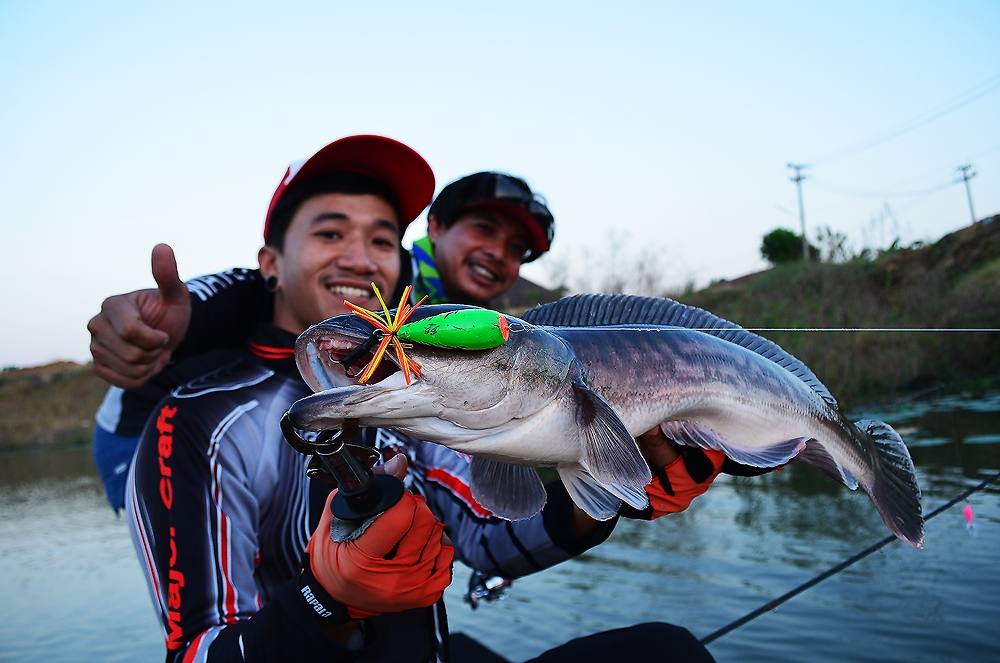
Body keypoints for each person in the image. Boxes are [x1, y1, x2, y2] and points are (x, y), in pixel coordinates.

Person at [124, 135, 706, 662]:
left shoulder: (418, 387)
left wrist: (609, 489)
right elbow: (196, 650)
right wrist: (326, 600)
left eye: (381, 238)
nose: (360, 257)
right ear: (270, 264)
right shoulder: (198, 419)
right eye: (330, 233)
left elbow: (487, 538)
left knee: (667, 652)